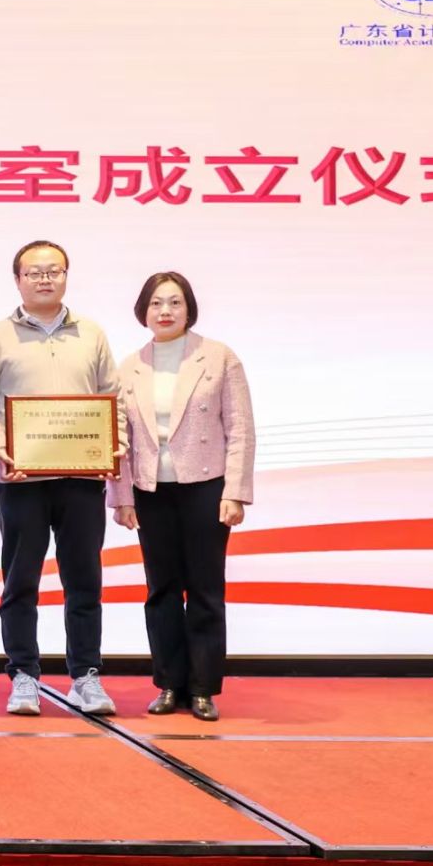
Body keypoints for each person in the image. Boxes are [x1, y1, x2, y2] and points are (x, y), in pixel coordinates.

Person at [0, 240, 123, 716]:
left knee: (84, 580)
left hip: (81, 479)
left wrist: (114, 444)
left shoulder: (92, 334)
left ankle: (86, 676)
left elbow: (112, 398)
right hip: (21, 481)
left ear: (66, 276)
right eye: (34, 272)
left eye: (53, 271)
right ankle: (23, 676)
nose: (44, 279)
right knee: (20, 582)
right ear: (17, 280)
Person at [107, 272, 256, 723]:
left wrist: (235, 492)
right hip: (151, 489)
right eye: (156, 303)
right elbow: (118, 437)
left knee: (206, 589)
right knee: (162, 589)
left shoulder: (219, 357)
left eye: (174, 302)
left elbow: (241, 429)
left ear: (189, 308)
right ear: (143, 311)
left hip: (206, 486)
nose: (165, 311)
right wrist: (122, 496)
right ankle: (170, 684)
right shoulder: (130, 366)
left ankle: (203, 688)